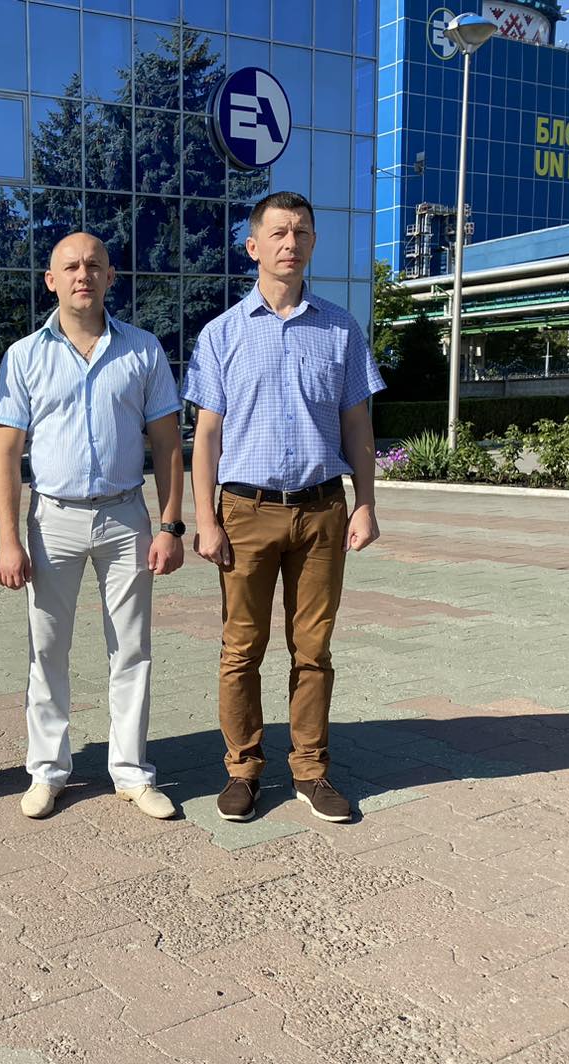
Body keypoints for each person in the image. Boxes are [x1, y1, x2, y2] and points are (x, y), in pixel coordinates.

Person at [183, 192, 386, 826]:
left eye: (300, 231)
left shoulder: (341, 328)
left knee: (313, 649)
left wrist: (365, 503)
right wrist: (206, 520)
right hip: (245, 511)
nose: (289, 242)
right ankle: (243, 770)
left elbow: (358, 425)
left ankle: (311, 771)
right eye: (277, 232)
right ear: (253, 247)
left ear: (313, 243)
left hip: (322, 511)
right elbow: (206, 437)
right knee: (241, 648)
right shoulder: (222, 334)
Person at [0, 232, 186, 821]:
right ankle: (48, 771)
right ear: (51, 280)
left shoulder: (143, 350)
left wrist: (171, 525)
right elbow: (7, 454)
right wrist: (9, 539)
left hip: (126, 517)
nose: (83, 274)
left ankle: (131, 771)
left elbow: (167, 445)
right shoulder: (25, 355)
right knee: (47, 649)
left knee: (131, 648)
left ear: (110, 276)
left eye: (94, 265)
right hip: (53, 518)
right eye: (71, 266)